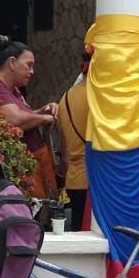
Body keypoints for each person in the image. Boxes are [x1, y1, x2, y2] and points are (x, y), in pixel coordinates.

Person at [0, 37, 59, 199]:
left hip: (34, 168)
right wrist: (45, 118)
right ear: (12, 63)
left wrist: (42, 111)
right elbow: (14, 120)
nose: (32, 71)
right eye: (29, 65)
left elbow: (25, 118)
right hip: (16, 175)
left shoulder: (15, 91)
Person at [55, 46, 93, 232]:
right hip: (93, 179)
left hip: (74, 178)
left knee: (77, 230)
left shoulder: (66, 97)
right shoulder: (97, 98)